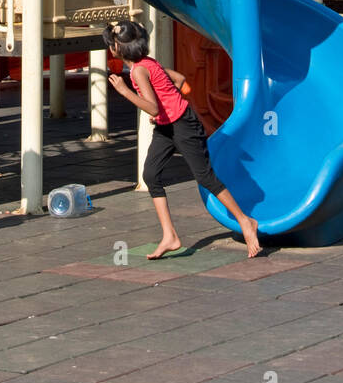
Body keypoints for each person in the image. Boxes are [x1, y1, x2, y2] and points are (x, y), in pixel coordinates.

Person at [104, 20, 260, 260]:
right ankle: (170, 236)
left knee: (205, 177)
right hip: (169, 125)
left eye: (111, 45)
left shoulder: (137, 70)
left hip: (183, 125)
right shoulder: (147, 63)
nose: (110, 48)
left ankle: (245, 221)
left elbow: (153, 108)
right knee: (151, 175)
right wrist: (167, 107)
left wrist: (126, 92)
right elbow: (179, 80)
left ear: (117, 48)